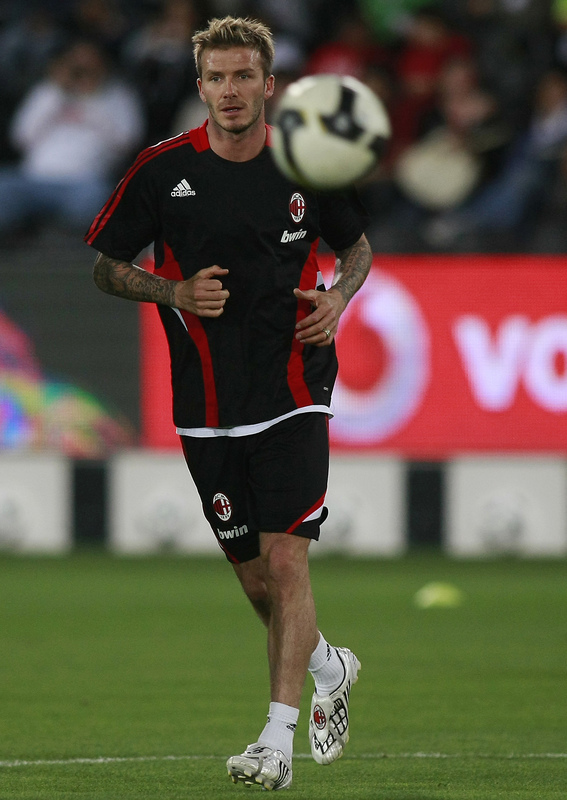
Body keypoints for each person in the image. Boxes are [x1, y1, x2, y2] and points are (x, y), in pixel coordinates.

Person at [85, 16, 372, 791]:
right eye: (216, 78)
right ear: (201, 86)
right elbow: (107, 266)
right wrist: (172, 291)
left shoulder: (307, 160)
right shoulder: (161, 171)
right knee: (256, 582)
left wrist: (338, 298)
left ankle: (276, 743)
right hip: (206, 401)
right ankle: (328, 665)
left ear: (268, 85)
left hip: (295, 386)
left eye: (244, 75)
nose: (230, 90)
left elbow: (355, 246)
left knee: (285, 558)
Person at [0, 38, 144, 241]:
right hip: (33, 179)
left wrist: (91, 102)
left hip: (85, 182)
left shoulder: (118, 95)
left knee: (93, 205)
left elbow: (126, 143)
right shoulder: (47, 92)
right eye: (77, 64)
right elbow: (20, 138)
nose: (83, 70)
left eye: (91, 64)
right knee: (4, 187)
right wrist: (57, 93)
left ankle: (55, 242)